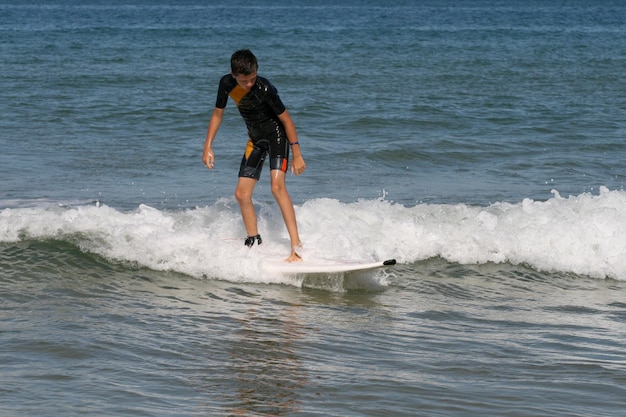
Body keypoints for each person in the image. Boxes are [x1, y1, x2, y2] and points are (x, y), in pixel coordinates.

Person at [202, 49, 306, 262]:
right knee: (241, 194)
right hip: (255, 140)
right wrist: (208, 146)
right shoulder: (227, 84)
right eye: (244, 80)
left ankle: (296, 247)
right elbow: (217, 114)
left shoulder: (265, 88)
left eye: (252, 78)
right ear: (233, 75)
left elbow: (286, 120)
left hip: (277, 137)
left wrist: (297, 153)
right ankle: (253, 239)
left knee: (277, 188)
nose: (249, 84)